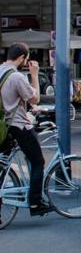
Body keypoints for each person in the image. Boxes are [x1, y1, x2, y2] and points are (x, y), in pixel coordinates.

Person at [0, 43, 49, 216]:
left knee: (3, 166)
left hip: (2, 128)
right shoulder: (16, 77)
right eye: (26, 59)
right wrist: (34, 75)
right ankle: (36, 204)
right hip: (17, 126)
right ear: (21, 58)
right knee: (38, 162)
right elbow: (34, 99)